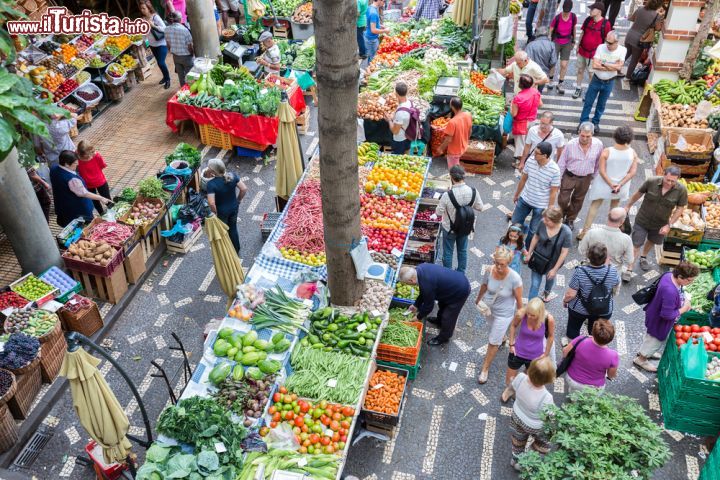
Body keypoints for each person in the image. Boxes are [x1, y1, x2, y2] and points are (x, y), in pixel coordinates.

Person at [634, 262, 698, 372]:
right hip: (659, 322)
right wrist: (684, 308)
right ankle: (641, 359)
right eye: (689, 280)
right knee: (655, 340)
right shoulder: (670, 291)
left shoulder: (668, 275)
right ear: (680, 277)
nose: (691, 283)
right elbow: (666, 315)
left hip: (653, 313)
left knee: (650, 337)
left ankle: (644, 351)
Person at [579, 125, 638, 240]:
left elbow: (602, 171)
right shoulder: (632, 153)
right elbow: (632, 173)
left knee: (595, 206)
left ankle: (585, 232)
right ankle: (610, 232)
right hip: (621, 187)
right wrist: (619, 184)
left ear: (615, 137)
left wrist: (611, 183)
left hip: (604, 184)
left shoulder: (607, 151)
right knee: (614, 208)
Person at [476, 247, 523, 384]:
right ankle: (502, 337)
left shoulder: (515, 279)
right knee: (494, 330)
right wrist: (478, 299)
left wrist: (519, 320)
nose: (498, 267)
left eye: (502, 264)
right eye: (496, 262)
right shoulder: (490, 270)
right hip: (490, 310)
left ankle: (485, 369)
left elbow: (520, 302)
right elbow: (484, 286)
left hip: (504, 314)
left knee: (492, 341)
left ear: (508, 262)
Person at [625, 167, 687, 271]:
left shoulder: (681, 190)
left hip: (660, 224)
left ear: (678, 179)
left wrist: (669, 225)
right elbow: (638, 193)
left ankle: (643, 256)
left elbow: (680, 208)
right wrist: (628, 206)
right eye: (668, 180)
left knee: (651, 241)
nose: (670, 183)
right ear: (664, 175)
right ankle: (629, 269)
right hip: (642, 219)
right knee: (636, 244)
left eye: (673, 181)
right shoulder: (651, 182)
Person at [400, 264, 471, 346]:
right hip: (452, 283)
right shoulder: (419, 269)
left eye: (407, 283)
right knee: (442, 304)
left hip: (460, 290)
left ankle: (444, 337)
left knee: (448, 316)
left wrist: (418, 317)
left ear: (411, 281)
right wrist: (416, 305)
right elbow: (424, 293)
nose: (408, 285)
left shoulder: (426, 283)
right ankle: (439, 321)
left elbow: (428, 306)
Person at [562, 243, 620, 344]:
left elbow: (571, 294)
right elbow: (615, 287)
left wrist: (565, 300)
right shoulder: (613, 271)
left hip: (579, 308)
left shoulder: (580, 271)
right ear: (605, 257)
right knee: (595, 333)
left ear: (588, 256)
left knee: (573, 329)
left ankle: (572, 347)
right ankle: (591, 347)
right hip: (603, 309)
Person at [507, 356, 555, 471]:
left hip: (517, 416)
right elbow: (550, 416)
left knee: (518, 439)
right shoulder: (546, 397)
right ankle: (526, 462)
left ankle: (516, 458)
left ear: (530, 369)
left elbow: (512, 388)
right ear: (548, 379)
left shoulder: (521, 377)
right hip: (535, 425)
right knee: (542, 444)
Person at [502, 298, 556, 399]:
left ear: (540, 313)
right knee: (509, 380)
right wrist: (511, 344)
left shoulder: (548, 319)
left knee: (528, 378)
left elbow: (551, 336)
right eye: (528, 314)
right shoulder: (521, 314)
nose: (529, 317)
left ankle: (519, 389)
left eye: (533, 315)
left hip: (536, 357)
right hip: (517, 352)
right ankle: (509, 389)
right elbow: (513, 326)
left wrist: (546, 354)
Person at [512, 142, 561, 249]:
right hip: (525, 199)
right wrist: (517, 194)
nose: (534, 154)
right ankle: (515, 245)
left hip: (540, 205)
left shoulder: (555, 170)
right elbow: (523, 179)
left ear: (545, 156)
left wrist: (549, 210)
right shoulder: (531, 161)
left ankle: (527, 250)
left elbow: (553, 192)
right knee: (515, 223)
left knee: (534, 231)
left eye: (537, 153)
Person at [434, 165, 483, 273]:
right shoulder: (473, 191)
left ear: (451, 177)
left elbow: (438, 212)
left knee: (447, 252)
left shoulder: (447, 195)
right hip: (465, 228)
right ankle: (461, 272)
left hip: (449, 228)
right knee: (462, 251)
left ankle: (448, 273)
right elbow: (480, 207)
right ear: (463, 176)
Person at [556, 122, 604, 229]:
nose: (585, 138)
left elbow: (598, 162)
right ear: (579, 133)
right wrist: (558, 178)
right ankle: (561, 214)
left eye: (588, 136)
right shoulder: (571, 144)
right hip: (569, 175)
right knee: (563, 199)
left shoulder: (598, 144)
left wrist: (594, 177)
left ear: (592, 134)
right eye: (582, 135)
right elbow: (562, 162)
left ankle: (570, 219)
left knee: (578, 201)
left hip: (585, 178)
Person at [579, 30, 626, 132]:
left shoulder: (622, 50)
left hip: (609, 81)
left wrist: (604, 63)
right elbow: (595, 65)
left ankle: (595, 122)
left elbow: (619, 68)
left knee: (601, 104)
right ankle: (583, 121)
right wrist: (613, 65)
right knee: (588, 102)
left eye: (610, 43)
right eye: (606, 41)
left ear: (617, 42)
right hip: (596, 79)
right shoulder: (601, 47)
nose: (607, 44)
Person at [50, 151, 110, 227]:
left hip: (63, 205)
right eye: (75, 163)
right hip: (77, 209)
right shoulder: (72, 179)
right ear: (66, 164)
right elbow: (84, 193)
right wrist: (101, 198)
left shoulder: (53, 168)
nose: (77, 164)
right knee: (86, 227)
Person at [526, 207, 572, 301]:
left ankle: (547, 292)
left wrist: (554, 270)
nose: (544, 221)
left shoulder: (566, 232)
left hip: (553, 263)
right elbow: (536, 237)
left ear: (555, 221)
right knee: (535, 284)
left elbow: (564, 253)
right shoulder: (542, 223)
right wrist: (529, 253)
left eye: (547, 220)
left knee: (550, 278)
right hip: (538, 258)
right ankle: (531, 307)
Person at [562, 319, 619, 393]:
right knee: (590, 402)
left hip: (572, 379)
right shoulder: (613, 355)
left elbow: (565, 352)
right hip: (594, 387)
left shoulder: (581, 340)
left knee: (573, 395)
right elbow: (611, 375)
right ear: (610, 339)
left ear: (593, 332)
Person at [579, 208, 634, 283]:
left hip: (589, 271)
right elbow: (629, 261)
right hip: (611, 275)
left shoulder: (592, 232)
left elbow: (581, 250)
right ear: (622, 222)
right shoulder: (626, 239)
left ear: (608, 216)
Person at [206, 158, 247, 253]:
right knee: (233, 228)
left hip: (221, 212)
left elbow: (211, 203)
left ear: (213, 171)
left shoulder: (211, 184)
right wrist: (238, 201)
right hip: (234, 208)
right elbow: (244, 189)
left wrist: (214, 213)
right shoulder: (232, 176)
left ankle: (226, 252)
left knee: (223, 231)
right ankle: (236, 249)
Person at [574, 3, 612, 99]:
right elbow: (583, 33)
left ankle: (589, 92)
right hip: (582, 51)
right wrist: (577, 45)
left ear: (599, 11)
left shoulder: (606, 24)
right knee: (580, 70)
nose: (590, 11)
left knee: (591, 74)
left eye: (592, 9)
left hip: (594, 55)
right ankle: (578, 88)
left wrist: (605, 55)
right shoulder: (588, 20)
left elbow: (608, 40)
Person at [624, 0, 663, 81]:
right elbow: (658, 28)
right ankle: (627, 77)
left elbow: (632, 18)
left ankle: (615, 69)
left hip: (630, 35)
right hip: (640, 39)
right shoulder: (656, 16)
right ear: (658, 6)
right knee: (634, 60)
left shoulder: (640, 8)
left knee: (625, 54)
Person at [510, 75, 542, 167]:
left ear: (520, 85)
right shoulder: (535, 92)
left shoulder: (518, 98)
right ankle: (527, 159)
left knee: (520, 144)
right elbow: (540, 104)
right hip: (532, 120)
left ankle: (521, 163)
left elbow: (514, 114)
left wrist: (511, 106)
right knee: (529, 141)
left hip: (521, 122)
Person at [139, 0, 170, 89]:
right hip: (152, 45)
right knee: (159, 63)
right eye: (141, 8)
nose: (142, 10)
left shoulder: (155, 17)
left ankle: (168, 79)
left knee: (161, 62)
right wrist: (144, 43)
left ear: (149, 8)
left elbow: (164, 29)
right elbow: (144, 33)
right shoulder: (143, 19)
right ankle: (165, 77)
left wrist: (153, 25)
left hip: (161, 44)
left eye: (144, 8)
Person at [548, 0, 576, 94]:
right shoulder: (557, 17)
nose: (565, 13)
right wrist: (549, 41)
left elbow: (574, 28)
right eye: (564, 11)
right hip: (556, 42)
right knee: (553, 62)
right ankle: (551, 79)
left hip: (567, 42)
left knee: (564, 65)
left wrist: (574, 41)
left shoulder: (573, 17)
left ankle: (560, 83)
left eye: (567, 11)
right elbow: (551, 29)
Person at [76, 141, 110, 215]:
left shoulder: (97, 156)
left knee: (107, 198)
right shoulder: (76, 156)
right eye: (85, 157)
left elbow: (102, 166)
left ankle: (113, 213)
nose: (88, 158)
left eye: (89, 156)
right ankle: (102, 214)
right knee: (95, 201)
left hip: (100, 181)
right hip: (87, 184)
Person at [439, 97, 473, 169]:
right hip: (463, 146)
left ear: (452, 107)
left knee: (454, 171)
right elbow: (470, 130)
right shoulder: (468, 115)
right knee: (456, 165)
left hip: (454, 151)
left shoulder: (452, 122)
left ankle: (456, 180)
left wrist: (440, 149)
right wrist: (465, 140)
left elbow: (448, 140)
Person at [165, 11, 194, 87]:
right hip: (186, 57)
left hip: (176, 57)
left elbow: (168, 45)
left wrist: (173, 51)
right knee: (190, 76)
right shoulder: (184, 30)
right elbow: (190, 46)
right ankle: (190, 91)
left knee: (181, 77)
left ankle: (183, 91)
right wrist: (192, 54)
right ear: (180, 19)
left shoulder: (166, 29)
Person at [524, 27, 556, 93]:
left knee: (528, 92)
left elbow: (525, 60)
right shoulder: (551, 45)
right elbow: (553, 61)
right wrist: (547, 67)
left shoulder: (530, 45)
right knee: (538, 92)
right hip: (543, 73)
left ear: (536, 34)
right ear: (547, 34)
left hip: (531, 73)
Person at [385, 82, 413, 154]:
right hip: (408, 135)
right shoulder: (409, 102)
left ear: (396, 93)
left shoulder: (400, 114)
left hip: (400, 140)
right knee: (406, 154)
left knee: (397, 158)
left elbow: (395, 131)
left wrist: (389, 120)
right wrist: (393, 114)